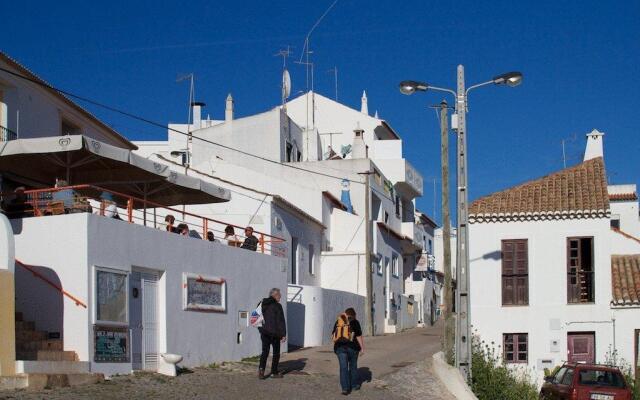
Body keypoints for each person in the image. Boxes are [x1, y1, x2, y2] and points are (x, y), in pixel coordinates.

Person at [332, 307, 364, 395]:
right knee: (353, 367)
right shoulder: (355, 322)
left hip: (340, 348)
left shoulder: (339, 321)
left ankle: (345, 389)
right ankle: (354, 385)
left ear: (345, 313)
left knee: (343, 368)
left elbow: (334, 335)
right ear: (354, 315)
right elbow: (358, 336)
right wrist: (362, 348)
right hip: (352, 348)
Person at [258, 288, 287, 380]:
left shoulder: (261, 303)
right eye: (279, 295)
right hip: (275, 334)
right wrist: (283, 334)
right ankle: (274, 372)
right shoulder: (278, 306)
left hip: (264, 332)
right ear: (274, 295)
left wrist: (261, 329)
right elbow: (280, 321)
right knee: (276, 353)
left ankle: (261, 371)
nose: (280, 296)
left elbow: (256, 316)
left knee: (265, 352)